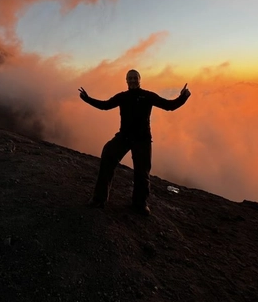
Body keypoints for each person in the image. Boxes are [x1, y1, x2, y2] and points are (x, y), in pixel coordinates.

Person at [78, 69, 191, 216]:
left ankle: (140, 204)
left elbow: (169, 106)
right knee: (108, 154)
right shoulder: (123, 97)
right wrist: (87, 99)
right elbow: (105, 106)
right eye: (129, 78)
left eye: (134, 78)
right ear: (126, 81)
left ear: (139, 79)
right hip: (124, 137)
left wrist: (183, 97)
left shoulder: (147, 96)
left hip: (142, 139)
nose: (132, 80)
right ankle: (99, 199)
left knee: (142, 172)